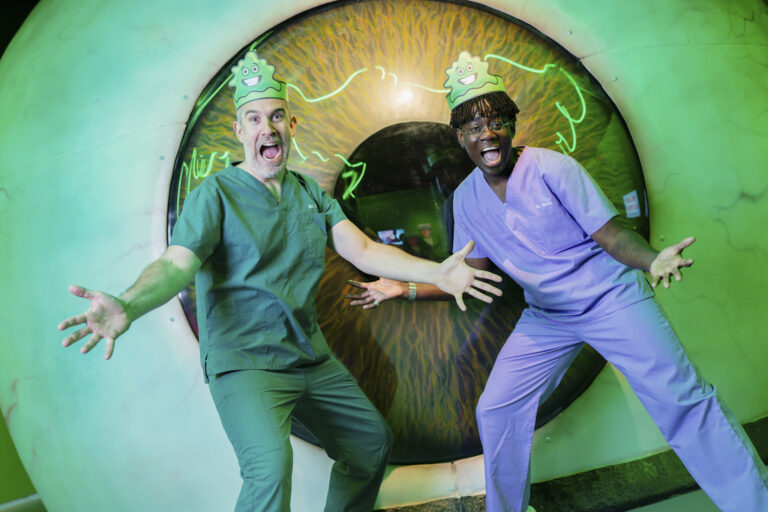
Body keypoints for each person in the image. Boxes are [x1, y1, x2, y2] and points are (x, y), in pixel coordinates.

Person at [57, 51, 503, 512]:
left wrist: (437, 271)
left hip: (309, 357)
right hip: (245, 363)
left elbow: (365, 251)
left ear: (291, 126)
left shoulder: (310, 194)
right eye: (253, 119)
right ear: (240, 131)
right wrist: (129, 304)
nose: (265, 128)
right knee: (269, 471)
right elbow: (175, 265)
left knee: (369, 445)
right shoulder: (215, 196)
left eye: (275, 117)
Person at [346, 51, 768, 512]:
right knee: (497, 409)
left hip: (611, 300)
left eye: (496, 122)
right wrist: (403, 287)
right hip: (548, 317)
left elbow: (612, 236)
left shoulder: (552, 167)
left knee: (682, 401)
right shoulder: (465, 200)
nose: (487, 133)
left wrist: (651, 261)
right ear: (461, 138)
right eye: (474, 127)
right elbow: (468, 276)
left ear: (511, 126)